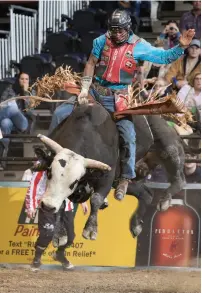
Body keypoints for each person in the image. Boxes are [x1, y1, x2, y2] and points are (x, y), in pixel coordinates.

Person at [48, 9, 195, 201]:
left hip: (119, 97)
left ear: (128, 29)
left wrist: (180, 47)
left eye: (120, 30)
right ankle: (48, 158)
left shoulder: (139, 45)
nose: (117, 34)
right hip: (94, 90)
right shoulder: (100, 41)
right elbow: (91, 62)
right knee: (61, 112)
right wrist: (84, 88)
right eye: (114, 30)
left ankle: (126, 177)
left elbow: (162, 57)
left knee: (128, 134)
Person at [25, 167, 88, 271]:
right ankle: (36, 259)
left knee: (70, 237)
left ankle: (59, 254)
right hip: (48, 203)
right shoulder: (46, 162)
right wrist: (30, 206)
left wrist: (82, 200)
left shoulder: (70, 161)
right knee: (47, 233)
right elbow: (35, 183)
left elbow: (74, 183)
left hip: (66, 205)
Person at [0, 72, 35, 157]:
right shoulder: (10, 89)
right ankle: (3, 157)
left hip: (23, 121)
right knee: (5, 123)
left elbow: (30, 109)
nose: (24, 81)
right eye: (22, 79)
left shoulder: (32, 92)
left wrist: (25, 92)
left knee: (13, 108)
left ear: (29, 80)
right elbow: (2, 103)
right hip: (8, 118)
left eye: (26, 79)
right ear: (18, 80)